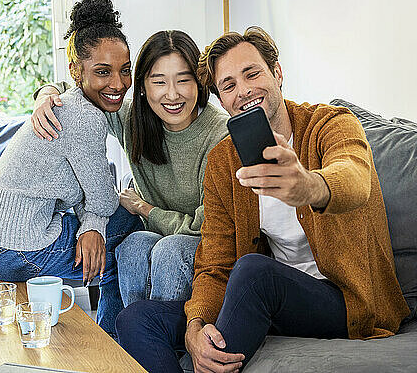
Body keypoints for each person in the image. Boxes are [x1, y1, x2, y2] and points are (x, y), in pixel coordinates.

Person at [115, 26, 410, 372]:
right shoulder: (224, 161)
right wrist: (195, 326)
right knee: (135, 319)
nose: (243, 91)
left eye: (251, 73)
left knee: (255, 272)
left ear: (277, 73)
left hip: (346, 301)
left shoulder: (331, 125)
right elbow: (216, 260)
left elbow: (354, 177)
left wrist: (309, 186)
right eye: (228, 85)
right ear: (221, 100)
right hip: (268, 301)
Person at [0, 0, 143, 336]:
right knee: (127, 250)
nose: (118, 83)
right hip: (16, 247)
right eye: (103, 72)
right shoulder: (84, 117)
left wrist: (92, 222)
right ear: (76, 70)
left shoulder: (70, 100)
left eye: (125, 70)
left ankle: (111, 339)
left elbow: (92, 195)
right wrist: (94, 224)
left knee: (120, 223)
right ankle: (114, 349)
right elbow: (104, 199)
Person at [31, 30, 229, 307]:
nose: (172, 94)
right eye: (159, 82)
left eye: (183, 80)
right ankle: (131, 342)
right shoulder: (133, 117)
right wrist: (45, 94)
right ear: (143, 86)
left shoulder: (219, 135)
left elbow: (202, 227)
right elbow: (80, 90)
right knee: (133, 245)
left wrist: (144, 208)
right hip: (157, 234)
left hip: (205, 242)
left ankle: (169, 340)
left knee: (168, 250)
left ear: (199, 82)